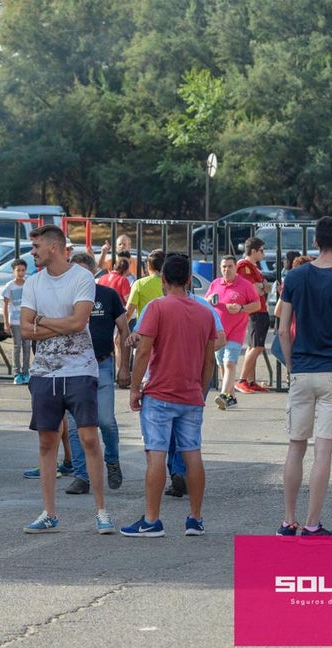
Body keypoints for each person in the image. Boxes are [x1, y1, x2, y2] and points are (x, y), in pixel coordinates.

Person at [18, 225, 113, 535]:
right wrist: (59, 325)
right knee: (47, 442)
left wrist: (42, 321)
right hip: (44, 371)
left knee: (88, 437)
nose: (32, 252)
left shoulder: (82, 277)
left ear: (54, 247)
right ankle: (48, 512)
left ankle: (101, 511)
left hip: (80, 369)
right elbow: (24, 329)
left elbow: (79, 321)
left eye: (36, 246)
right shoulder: (33, 282)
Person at [122, 254, 216, 538]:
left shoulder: (157, 308)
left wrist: (135, 387)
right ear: (189, 280)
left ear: (163, 279)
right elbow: (209, 361)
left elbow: (144, 352)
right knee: (193, 454)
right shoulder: (204, 312)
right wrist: (200, 390)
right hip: (190, 394)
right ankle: (195, 518)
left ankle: (152, 520)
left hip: (160, 393)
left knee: (156, 456)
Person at [276, 216, 332, 536]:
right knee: (323, 451)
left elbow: (283, 329)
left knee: (295, 446)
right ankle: (312, 524)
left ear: (314, 242)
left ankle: (288, 520)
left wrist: (291, 365)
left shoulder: (294, 277)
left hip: (302, 370)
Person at [65, 252, 129, 495]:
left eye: (82, 271)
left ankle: (112, 461)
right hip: (73, 368)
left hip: (102, 365)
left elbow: (124, 330)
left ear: (93, 272)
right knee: (75, 425)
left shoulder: (108, 295)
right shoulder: (66, 297)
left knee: (105, 421)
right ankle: (82, 476)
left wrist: (124, 366)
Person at [204, 256, 260, 411]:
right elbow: (204, 301)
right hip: (218, 331)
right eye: (223, 266)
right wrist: (208, 299)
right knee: (222, 364)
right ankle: (232, 397)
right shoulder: (216, 283)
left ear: (236, 268)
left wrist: (241, 308)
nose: (226, 270)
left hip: (236, 331)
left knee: (230, 363)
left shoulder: (245, 285)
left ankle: (223, 395)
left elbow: (256, 304)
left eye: (229, 266)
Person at [234, 237, 272, 394]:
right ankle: (242, 380)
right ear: (254, 251)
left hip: (260, 309)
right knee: (257, 346)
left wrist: (262, 287)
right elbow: (253, 289)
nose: (263, 253)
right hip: (256, 311)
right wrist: (262, 287)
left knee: (254, 345)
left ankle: (250, 380)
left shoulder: (254, 268)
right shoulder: (244, 266)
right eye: (262, 250)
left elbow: (267, 288)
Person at [3, 258, 30, 384]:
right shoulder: (10, 286)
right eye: (18, 270)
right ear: (13, 271)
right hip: (15, 321)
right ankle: (17, 373)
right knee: (17, 346)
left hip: (27, 321)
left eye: (23, 270)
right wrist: (6, 323)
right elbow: (5, 305)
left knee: (27, 346)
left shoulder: (28, 284)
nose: (21, 272)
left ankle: (26, 372)